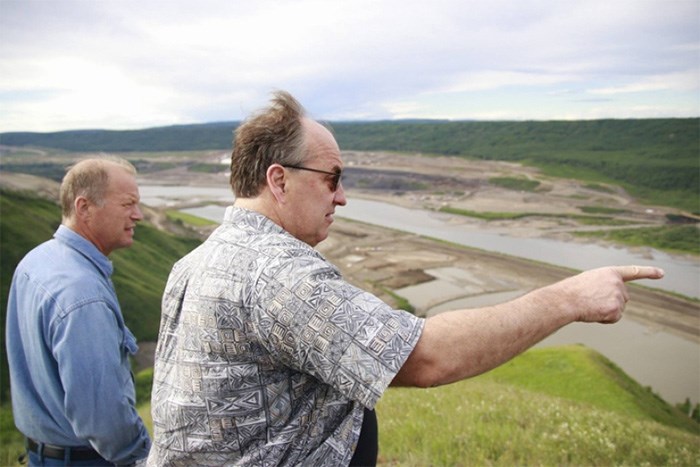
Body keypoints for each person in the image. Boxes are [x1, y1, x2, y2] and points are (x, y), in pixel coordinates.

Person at [147, 91, 664, 466]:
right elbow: (428, 357)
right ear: (278, 180)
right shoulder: (273, 271)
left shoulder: (196, 262)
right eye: (332, 179)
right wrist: (570, 297)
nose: (342, 197)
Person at [6, 157, 152, 466]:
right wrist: (144, 456)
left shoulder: (36, 260)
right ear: (84, 207)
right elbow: (104, 417)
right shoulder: (83, 294)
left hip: (42, 454)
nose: (138, 215)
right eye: (128, 204)